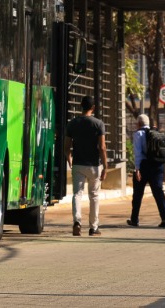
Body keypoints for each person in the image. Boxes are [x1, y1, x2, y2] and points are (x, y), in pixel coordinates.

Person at [65, 95, 106, 236]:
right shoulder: (98, 124)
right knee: (94, 196)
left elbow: (66, 146)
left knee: (77, 194)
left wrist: (69, 159)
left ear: (81, 106)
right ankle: (93, 227)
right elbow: (102, 147)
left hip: (78, 164)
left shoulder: (73, 123)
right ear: (93, 108)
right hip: (94, 166)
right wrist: (105, 166)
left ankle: (77, 222)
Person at [127, 114, 165, 228]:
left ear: (138, 124)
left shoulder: (138, 134)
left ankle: (134, 219)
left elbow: (138, 154)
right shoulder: (156, 132)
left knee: (138, 193)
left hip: (144, 166)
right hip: (158, 165)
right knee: (158, 192)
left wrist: (137, 169)